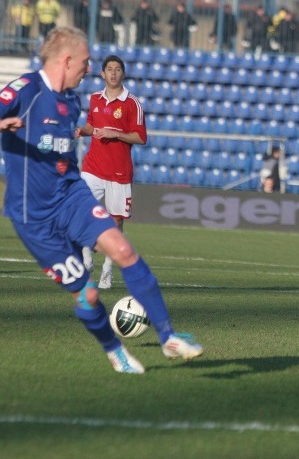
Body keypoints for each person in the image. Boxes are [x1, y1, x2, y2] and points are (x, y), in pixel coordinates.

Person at [0, 26, 203, 374]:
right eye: (85, 61)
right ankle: (115, 352)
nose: (89, 68)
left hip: (72, 195)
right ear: (66, 60)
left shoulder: (73, 100)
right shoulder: (25, 90)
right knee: (88, 295)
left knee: (124, 250)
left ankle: (168, 337)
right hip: (33, 216)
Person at [75, 54, 147, 290]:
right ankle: (86, 256)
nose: (113, 73)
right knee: (83, 210)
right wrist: (82, 131)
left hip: (119, 172)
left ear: (123, 74)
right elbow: (92, 125)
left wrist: (115, 134)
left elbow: (141, 137)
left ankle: (107, 269)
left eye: (118, 69)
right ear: (102, 74)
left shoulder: (132, 103)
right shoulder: (95, 98)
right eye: (109, 69)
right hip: (93, 167)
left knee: (115, 221)